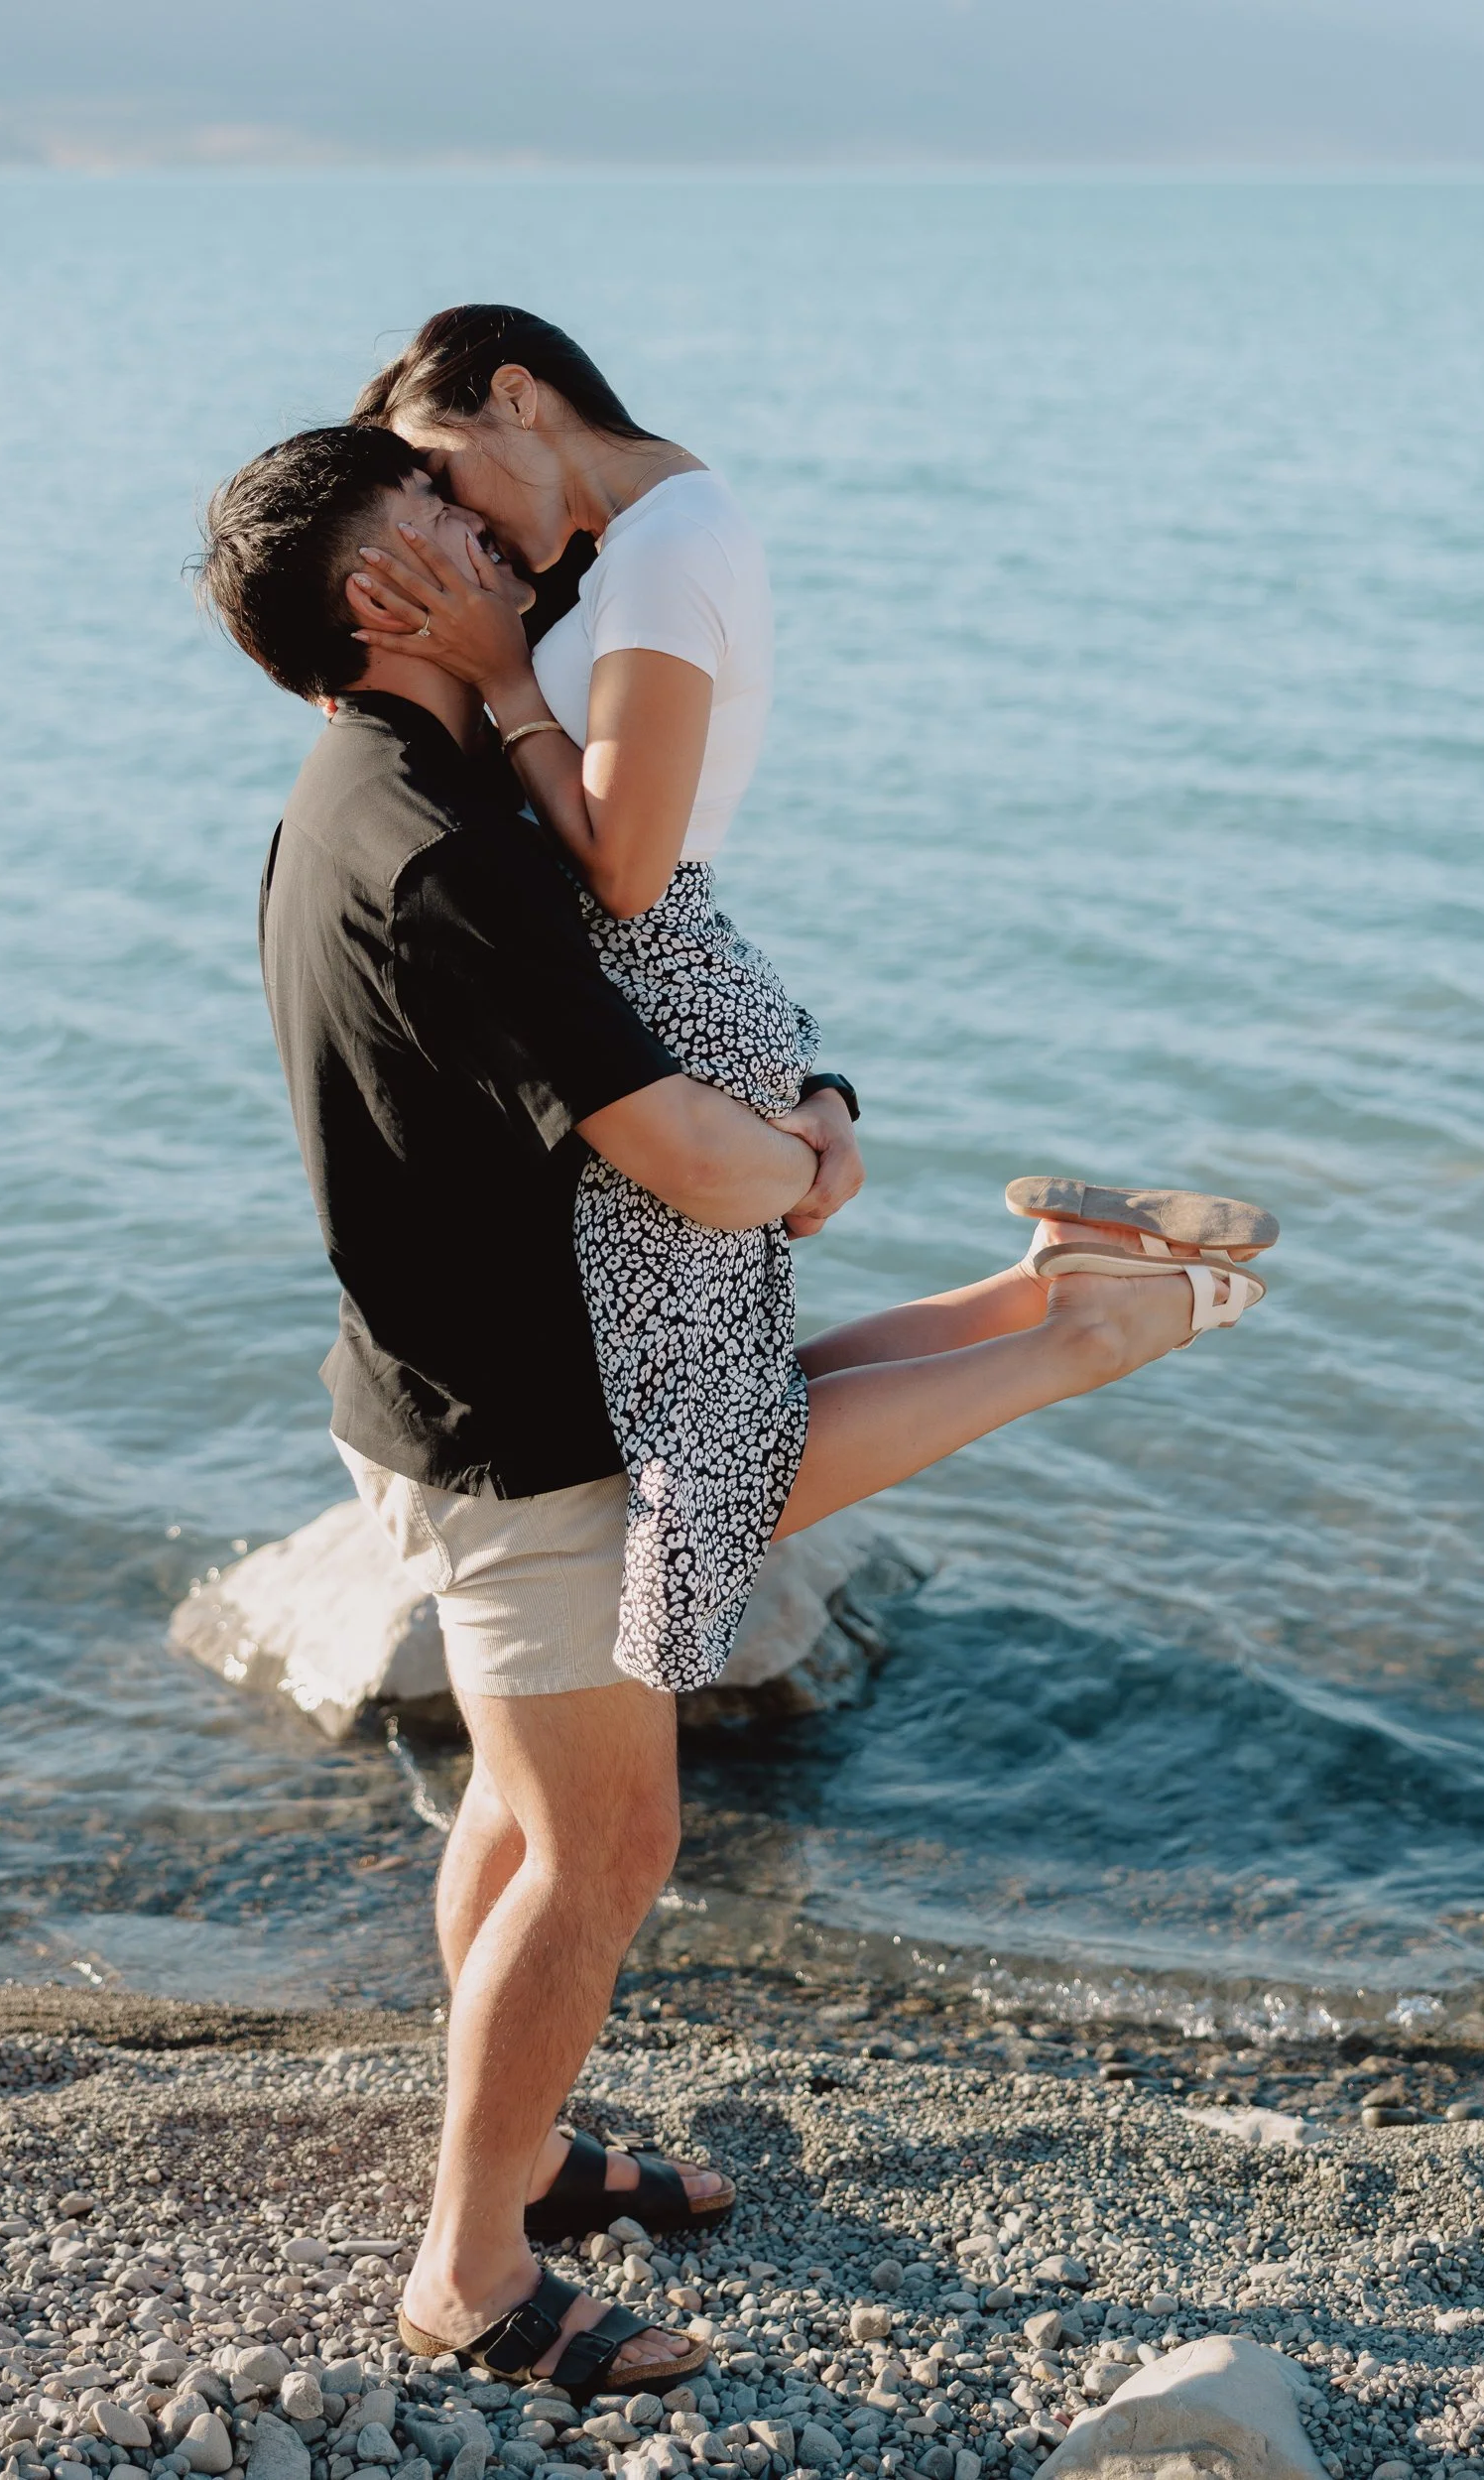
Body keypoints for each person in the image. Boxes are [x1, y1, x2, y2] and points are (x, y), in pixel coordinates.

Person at [192, 421, 1271, 2403]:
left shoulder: (380, 790)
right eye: (437, 506)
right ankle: (466, 2264)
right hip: (527, 1430)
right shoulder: (432, 850)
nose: (486, 517)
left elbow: (647, 951)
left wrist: (801, 1110)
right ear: (377, 600)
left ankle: (512, 2139)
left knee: (528, 1816)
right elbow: (679, 1148)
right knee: (603, 1850)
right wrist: (802, 1157)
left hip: (456, 1383)